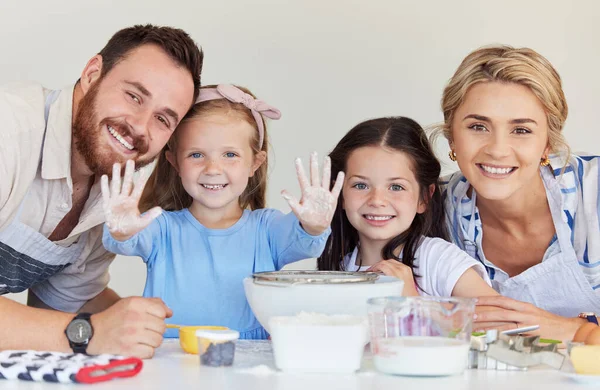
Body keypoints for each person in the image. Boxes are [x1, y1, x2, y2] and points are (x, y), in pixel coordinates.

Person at [0, 24, 203, 358]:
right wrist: (88, 332)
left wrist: (162, 325)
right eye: (134, 96)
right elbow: (75, 330)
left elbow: (59, 308)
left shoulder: (109, 191)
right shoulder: (10, 135)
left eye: (163, 120)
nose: (140, 127)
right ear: (92, 73)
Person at [101, 84, 344, 339]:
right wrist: (121, 230)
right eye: (196, 155)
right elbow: (127, 242)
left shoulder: (268, 228)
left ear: (254, 163)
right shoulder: (162, 227)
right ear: (175, 163)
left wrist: (314, 225)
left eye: (230, 154)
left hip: (249, 360)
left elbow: (304, 240)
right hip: (171, 359)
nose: (213, 168)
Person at [438, 45, 600, 341]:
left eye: (521, 130)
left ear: (548, 144)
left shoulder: (595, 193)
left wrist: (571, 330)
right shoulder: (431, 209)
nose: (498, 149)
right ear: (452, 137)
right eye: (478, 126)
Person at [317, 117, 496, 298]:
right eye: (361, 185)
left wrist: (413, 302)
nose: (377, 200)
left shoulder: (439, 260)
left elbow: (503, 324)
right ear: (339, 193)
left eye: (396, 187)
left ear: (424, 198)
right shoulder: (339, 267)